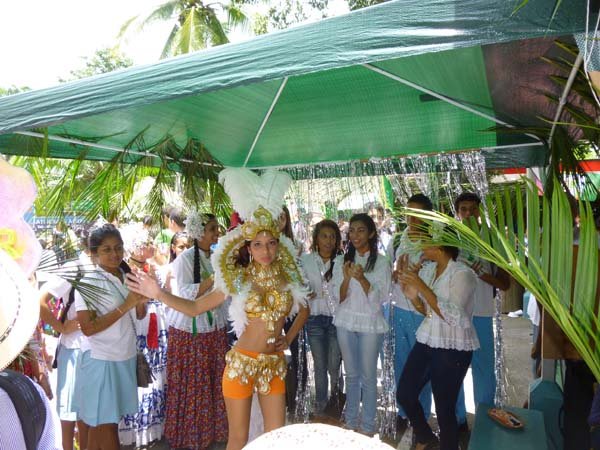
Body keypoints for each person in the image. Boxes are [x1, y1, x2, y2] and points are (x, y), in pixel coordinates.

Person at [126, 168, 310, 450]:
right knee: (237, 439)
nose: (266, 251)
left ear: (278, 243)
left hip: (273, 364)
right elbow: (195, 307)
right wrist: (158, 293)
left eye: (271, 243)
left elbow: (305, 308)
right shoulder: (238, 279)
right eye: (258, 245)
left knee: (276, 438)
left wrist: (289, 337)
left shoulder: (287, 278)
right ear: (249, 248)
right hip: (241, 364)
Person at [396, 236, 479, 450]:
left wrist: (421, 286)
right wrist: (412, 292)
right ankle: (425, 437)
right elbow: (427, 311)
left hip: (453, 347)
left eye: (427, 241)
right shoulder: (429, 270)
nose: (421, 245)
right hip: (429, 339)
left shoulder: (463, 274)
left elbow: (453, 315)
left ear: (440, 247)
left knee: (444, 409)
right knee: (404, 393)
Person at [73, 224, 148, 450]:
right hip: (101, 360)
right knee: (106, 425)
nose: (114, 254)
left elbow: (139, 314)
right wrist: (127, 305)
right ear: (93, 253)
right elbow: (88, 328)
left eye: (118, 248)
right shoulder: (88, 283)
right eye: (107, 249)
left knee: (104, 424)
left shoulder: (128, 276)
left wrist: (141, 301)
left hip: (124, 356)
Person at [161, 210, 229, 450]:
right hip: (190, 332)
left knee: (213, 380)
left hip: (214, 328)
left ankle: (212, 432)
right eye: (211, 229)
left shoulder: (218, 257)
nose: (216, 233)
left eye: (217, 228)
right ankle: (191, 435)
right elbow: (186, 294)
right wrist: (215, 279)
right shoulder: (185, 259)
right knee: (194, 384)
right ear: (199, 232)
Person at [453, 193, 510, 429]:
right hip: (455, 315)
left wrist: (483, 275)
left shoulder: (493, 240)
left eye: (473, 209)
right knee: (454, 369)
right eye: (463, 209)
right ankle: (457, 420)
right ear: (457, 212)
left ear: (479, 212)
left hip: (483, 313)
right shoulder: (450, 238)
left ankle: (485, 420)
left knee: (484, 370)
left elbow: (505, 283)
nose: (468, 213)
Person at [333, 213, 390, 436]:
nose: (355, 235)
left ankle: (367, 425)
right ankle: (350, 421)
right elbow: (338, 297)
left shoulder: (382, 262)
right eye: (352, 231)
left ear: (372, 233)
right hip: (345, 321)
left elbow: (381, 299)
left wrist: (362, 278)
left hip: (370, 324)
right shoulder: (342, 260)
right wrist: (348, 277)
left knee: (368, 376)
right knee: (351, 374)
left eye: (361, 230)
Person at [38, 228, 92, 450]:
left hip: (99, 349)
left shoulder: (109, 269)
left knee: (89, 411)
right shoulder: (75, 268)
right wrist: (61, 327)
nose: (113, 252)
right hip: (74, 348)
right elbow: (41, 301)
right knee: (70, 409)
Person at [118, 223, 169, 447]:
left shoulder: (152, 268)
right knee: (142, 375)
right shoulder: (127, 272)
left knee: (156, 375)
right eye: (145, 242)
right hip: (141, 326)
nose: (151, 245)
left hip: (158, 325)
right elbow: (138, 309)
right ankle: (136, 429)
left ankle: (153, 426)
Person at [388, 193, 434, 433]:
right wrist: (396, 274)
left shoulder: (434, 243)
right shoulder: (398, 240)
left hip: (422, 313)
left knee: (421, 369)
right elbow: (388, 273)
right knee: (401, 364)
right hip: (399, 309)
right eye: (409, 213)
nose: (412, 219)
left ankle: (422, 415)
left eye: (417, 214)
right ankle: (403, 411)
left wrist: (416, 277)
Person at [300, 219, 344, 417]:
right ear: (316, 238)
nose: (328, 241)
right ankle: (320, 405)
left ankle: (336, 403)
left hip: (336, 319)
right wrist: (305, 292)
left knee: (334, 364)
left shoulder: (341, 261)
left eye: (333, 237)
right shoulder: (306, 260)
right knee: (319, 364)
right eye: (324, 236)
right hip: (314, 318)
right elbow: (299, 285)